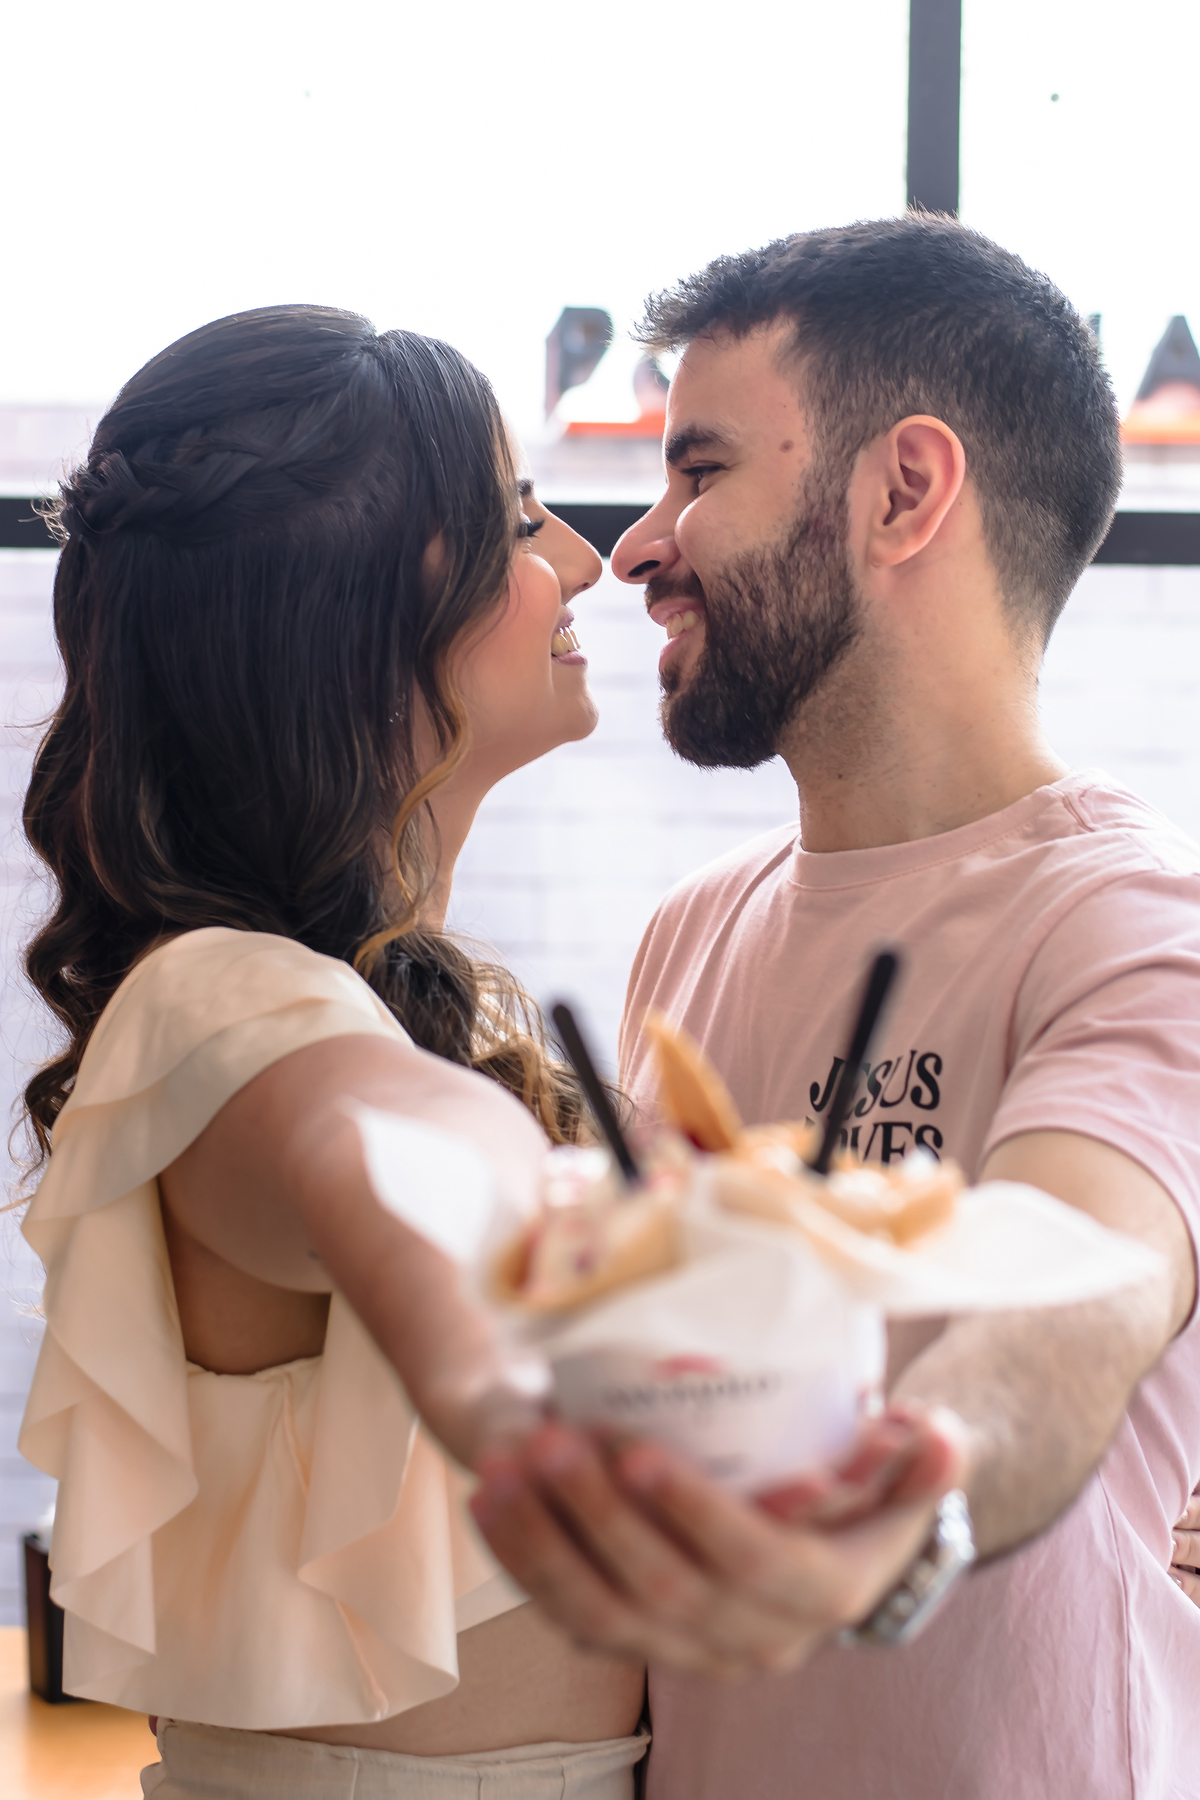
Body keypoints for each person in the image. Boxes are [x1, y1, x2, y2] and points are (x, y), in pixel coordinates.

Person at [468, 217, 1200, 1797]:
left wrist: (898, 1511)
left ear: (903, 491)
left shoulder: (1138, 927)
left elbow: (1081, 1295)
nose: (638, 547)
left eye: (701, 471)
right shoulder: (690, 932)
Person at [17, 304, 650, 1797]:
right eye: (520, 522)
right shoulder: (219, 998)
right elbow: (388, 1144)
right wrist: (541, 1236)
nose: (584, 562)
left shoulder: (372, 998)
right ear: (367, 611)